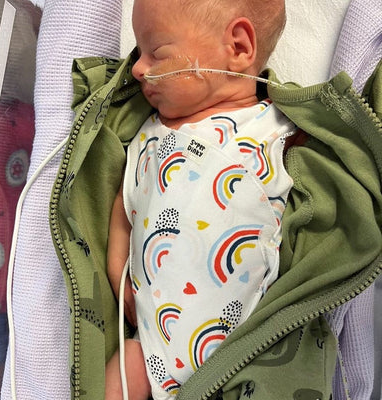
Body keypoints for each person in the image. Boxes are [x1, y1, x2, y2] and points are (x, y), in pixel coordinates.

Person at [105, 0, 292, 399]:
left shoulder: (277, 127)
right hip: (151, 343)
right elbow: (125, 208)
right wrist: (118, 274)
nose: (137, 68)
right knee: (121, 375)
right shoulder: (152, 133)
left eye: (156, 53)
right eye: (139, 53)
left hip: (238, 357)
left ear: (238, 47)